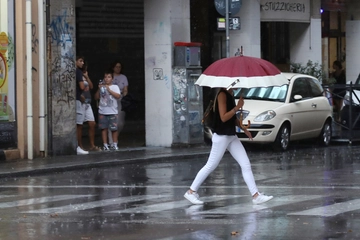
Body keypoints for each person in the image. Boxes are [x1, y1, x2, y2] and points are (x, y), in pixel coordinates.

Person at [184, 88, 274, 205]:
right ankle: (191, 191)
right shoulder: (222, 94)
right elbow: (224, 117)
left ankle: (256, 195)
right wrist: (237, 107)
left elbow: (232, 118)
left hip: (231, 136)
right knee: (210, 165)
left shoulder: (230, 94)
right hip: (221, 136)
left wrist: (243, 129)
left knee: (245, 164)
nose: (238, 84)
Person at [95, 70, 121, 151]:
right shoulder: (101, 87)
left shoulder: (115, 87)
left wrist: (109, 90)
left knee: (114, 129)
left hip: (113, 111)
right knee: (104, 128)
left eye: (109, 77)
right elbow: (96, 97)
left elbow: (118, 96)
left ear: (112, 79)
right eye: (105, 77)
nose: (106, 79)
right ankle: (105, 145)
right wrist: (99, 89)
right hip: (103, 111)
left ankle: (114, 144)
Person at [108, 61, 129, 147]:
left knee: (120, 123)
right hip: (110, 100)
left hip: (120, 99)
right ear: (113, 68)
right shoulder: (109, 76)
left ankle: (115, 137)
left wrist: (124, 95)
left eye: (119, 67)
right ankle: (111, 142)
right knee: (111, 120)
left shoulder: (123, 77)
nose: (118, 68)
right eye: (116, 67)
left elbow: (125, 89)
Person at [81, 64, 101, 152]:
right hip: (81, 103)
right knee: (79, 125)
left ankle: (92, 145)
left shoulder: (85, 76)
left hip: (88, 103)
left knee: (92, 123)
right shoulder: (78, 76)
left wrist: (87, 77)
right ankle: (79, 145)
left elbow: (91, 86)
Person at [75, 56, 89, 155]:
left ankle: (78, 146)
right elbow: (82, 86)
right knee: (79, 124)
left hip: (75, 98)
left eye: (83, 61)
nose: (82, 63)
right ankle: (79, 146)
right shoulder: (78, 72)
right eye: (80, 61)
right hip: (78, 100)